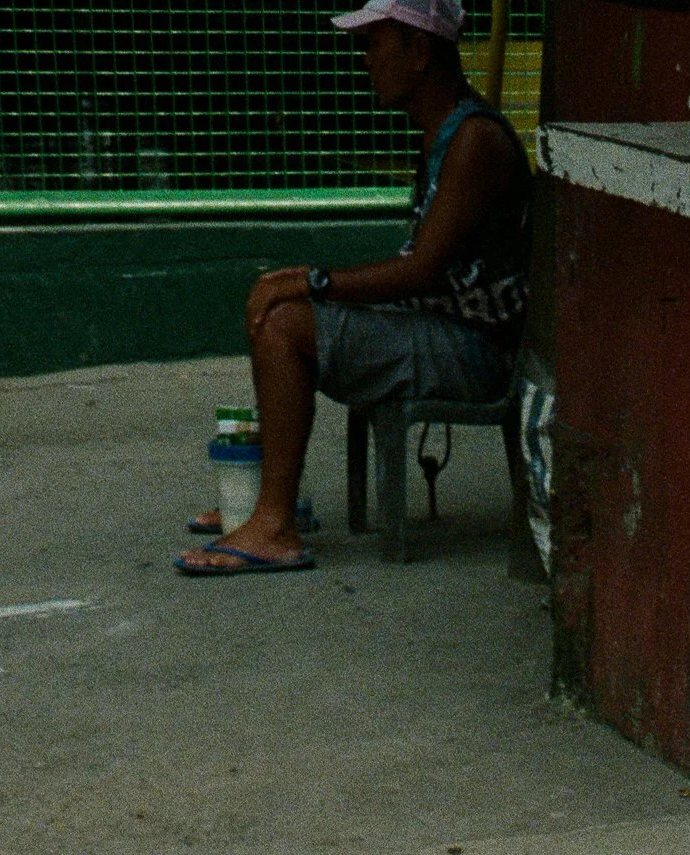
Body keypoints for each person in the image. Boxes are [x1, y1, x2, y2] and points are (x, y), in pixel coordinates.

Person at [178, 0, 528, 578]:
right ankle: (273, 499)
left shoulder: (474, 141)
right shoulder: (445, 132)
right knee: (282, 305)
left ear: (418, 52)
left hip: (476, 350)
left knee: (287, 321)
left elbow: (421, 272)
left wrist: (314, 280)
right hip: (446, 327)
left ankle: (275, 525)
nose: (363, 61)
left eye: (373, 45)